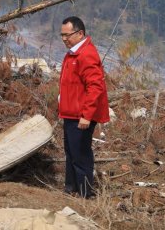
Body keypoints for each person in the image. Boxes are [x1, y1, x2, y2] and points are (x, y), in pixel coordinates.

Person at [58, 16, 110, 198]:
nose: (64, 39)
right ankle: (71, 189)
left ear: (80, 33)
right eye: (62, 35)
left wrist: (87, 115)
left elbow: (95, 87)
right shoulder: (73, 52)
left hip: (81, 116)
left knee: (81, 155)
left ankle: (86, 194)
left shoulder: (86, 54)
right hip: (71, 113)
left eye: (68, 35)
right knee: (71, 153)